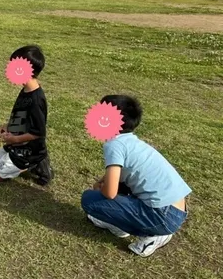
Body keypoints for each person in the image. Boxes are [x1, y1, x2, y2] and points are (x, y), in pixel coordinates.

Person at [81, 95, 191, 257]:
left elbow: (110, 192)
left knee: (89, 199)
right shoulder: (131, 142)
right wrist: (103, 182)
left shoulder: (114, 144)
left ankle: (152, 235)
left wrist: (100, 188)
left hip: (163, 216)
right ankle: (124, 223)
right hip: (176, 210)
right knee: (118, 189)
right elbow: (121, 176)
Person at [0, 46, 53, 186]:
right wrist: (8, 126)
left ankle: (35, 163)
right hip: (16, 145)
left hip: (29, 150)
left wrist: (15, 139)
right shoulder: (25, 90)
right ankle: (15, 160)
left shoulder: (36, 100)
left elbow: (38, 133)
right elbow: (21, 115)